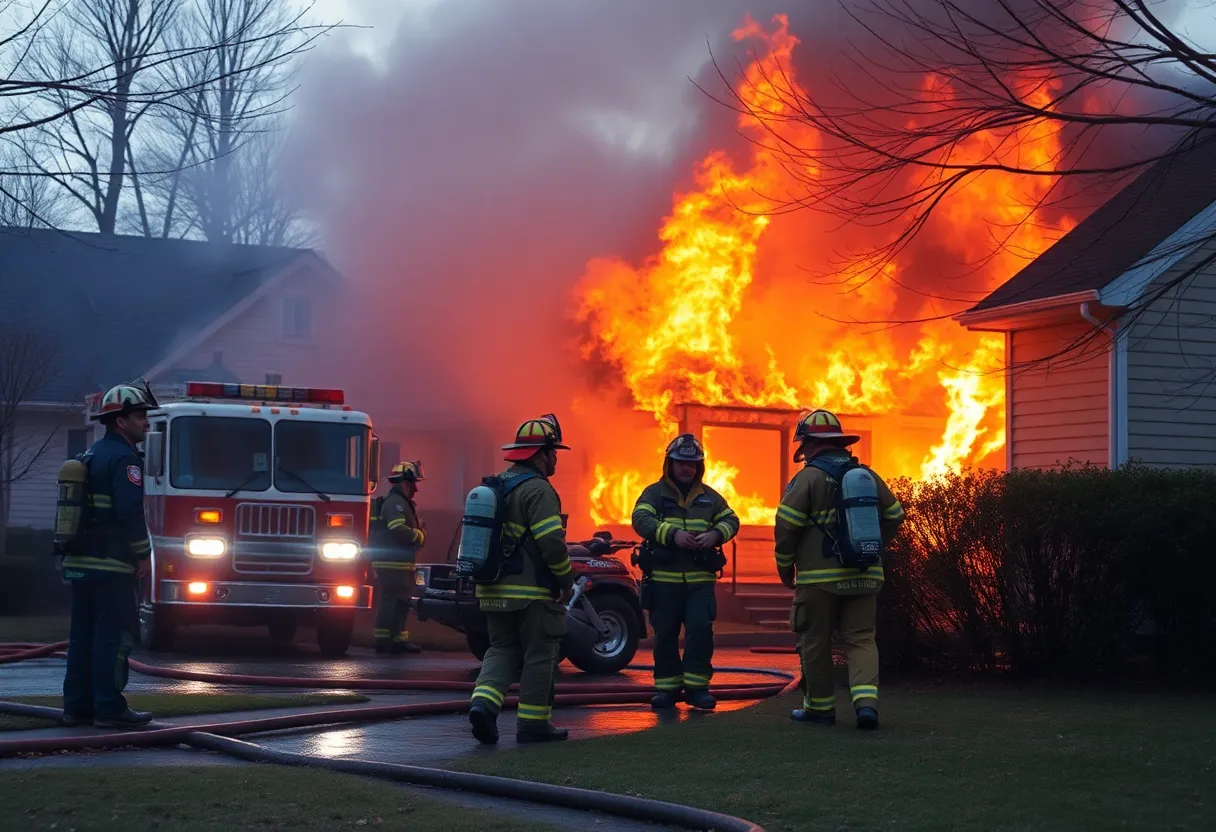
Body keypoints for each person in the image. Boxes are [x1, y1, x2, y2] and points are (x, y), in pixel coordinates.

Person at [774, 409, 906, 730]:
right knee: (861, 640)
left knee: (815, 641)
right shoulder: (867, 476)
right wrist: (871, 546)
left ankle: (820, 709)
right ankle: (866, 708)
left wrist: (785, 567)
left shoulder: (807, 478)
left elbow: (786, 525)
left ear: (811, 445)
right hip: (865, 574)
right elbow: (895, 515)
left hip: (819, 580)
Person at [468, 414, 575, 745]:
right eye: (553, 451)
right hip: (531, 593)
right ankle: (533, 725)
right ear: (540, 453)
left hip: (491, 588)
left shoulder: (496, 485)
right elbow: (551, 544)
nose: (556, 457)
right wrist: (566, 580)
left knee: (501, 648)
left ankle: (483, 706)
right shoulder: (538, 490)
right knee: (540, 653)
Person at [61, 382, 158, 730]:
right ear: (120, 421)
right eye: (139, 416)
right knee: (113, 637)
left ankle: (76, 708)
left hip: (80, 566)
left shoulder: (89, 456)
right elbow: (131, 514)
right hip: (112, 567)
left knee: (81, 637)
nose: (146, 422)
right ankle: (109, 708)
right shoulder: (125, 459)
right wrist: (144, 556)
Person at [630, 433, 740, 711]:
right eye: (681, 462)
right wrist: (672, 534)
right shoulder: (653, 494)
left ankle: (697, 688)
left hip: (700, 582)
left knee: (701, 631)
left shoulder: (711, 498)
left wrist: (715, 535)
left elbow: (732, 520)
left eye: (692, 463)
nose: (687, 468)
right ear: (670, 463)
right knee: (665, 634)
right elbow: (640, 519)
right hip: (664, 581)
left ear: (699, 466)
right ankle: (666, 689)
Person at [368, 461, 426, 654]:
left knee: (401, 602)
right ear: (404, 482)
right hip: (391, 563)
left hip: (400, 564)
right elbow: (398, 530)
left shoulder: (402, 502)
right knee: (390, 601)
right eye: (413, 483)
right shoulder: (396, 503)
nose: (416, 489)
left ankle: (398, 639)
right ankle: (384, 641)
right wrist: (419, 535)